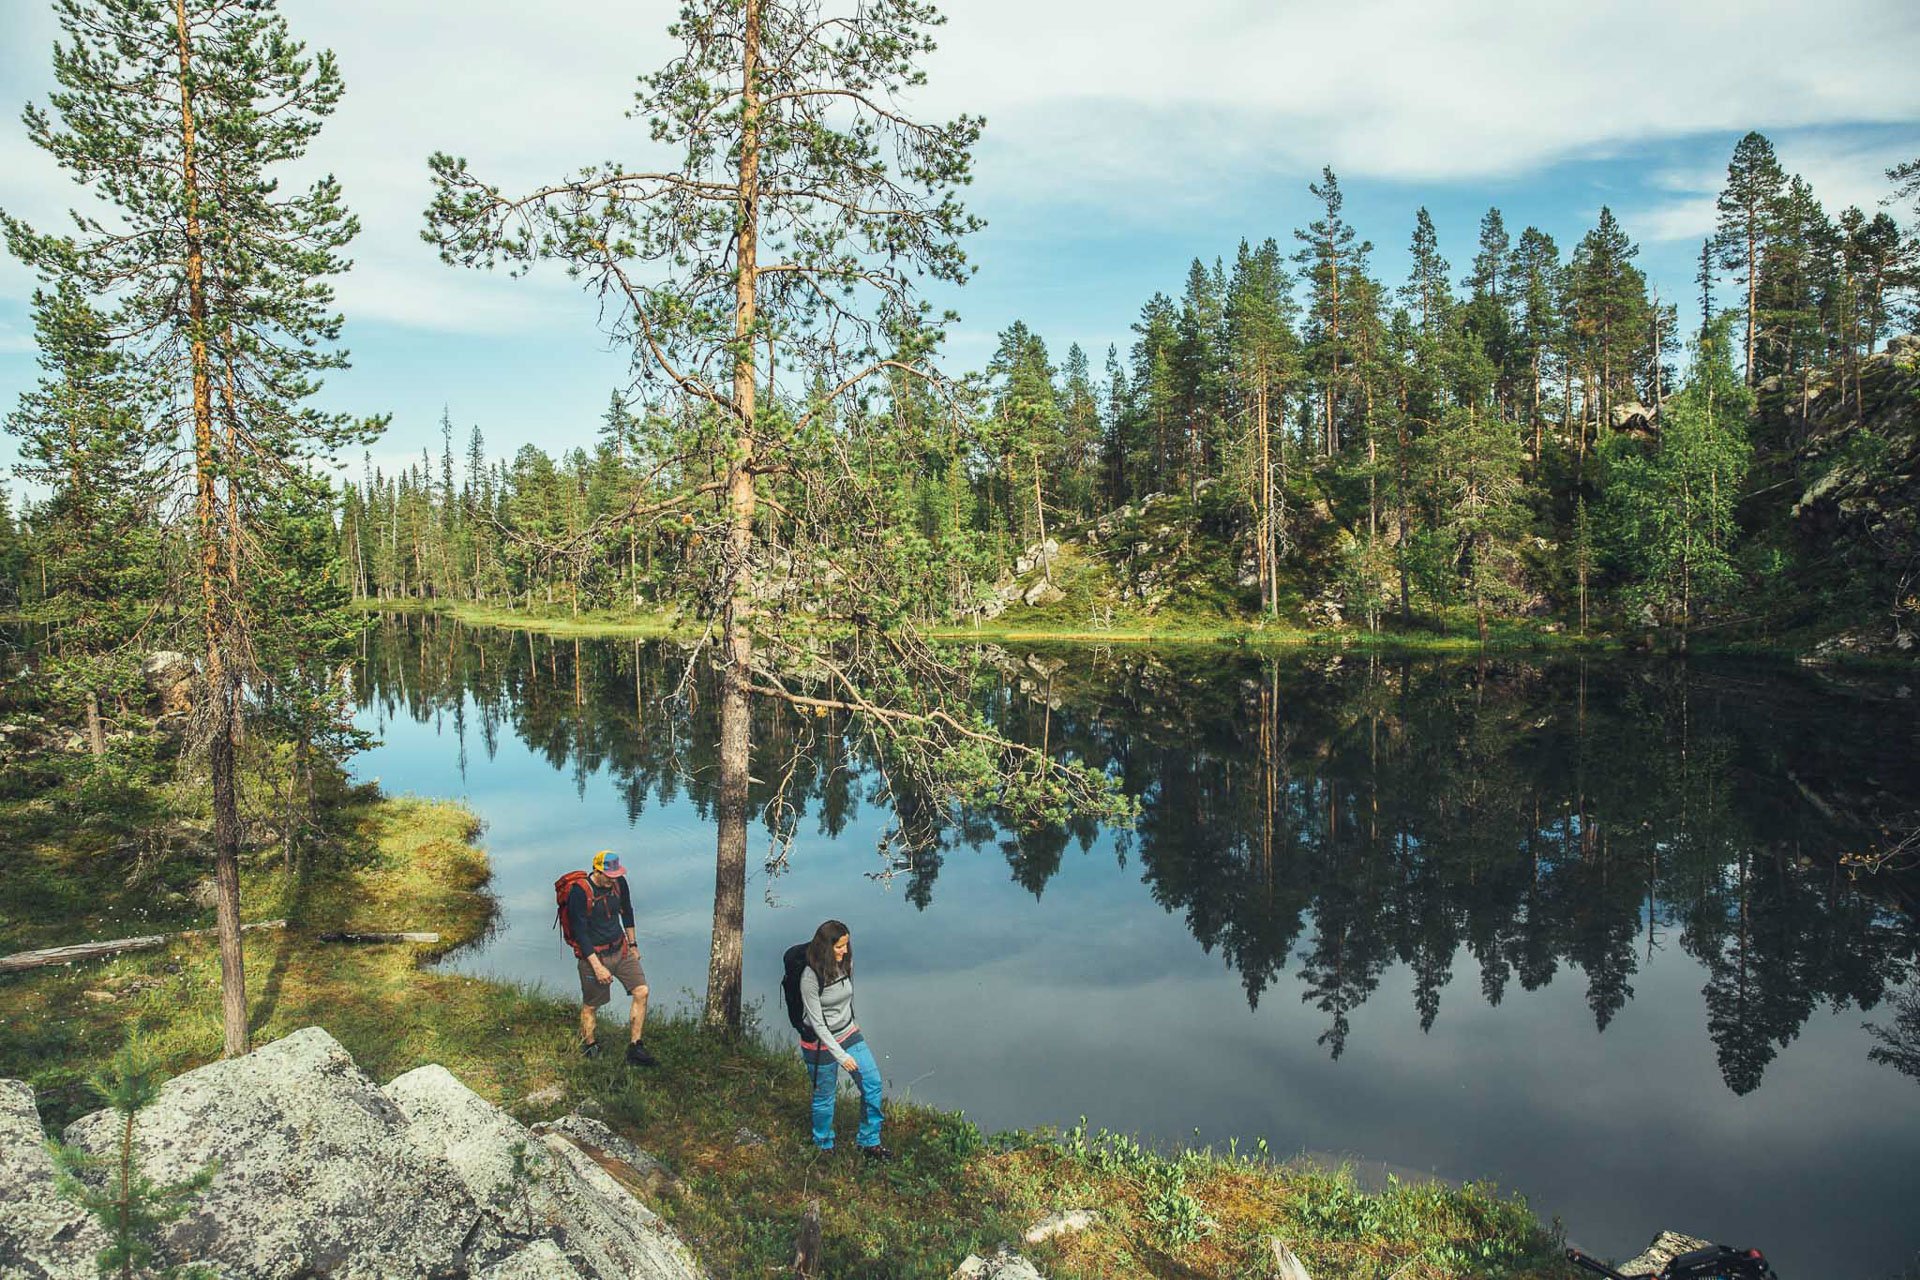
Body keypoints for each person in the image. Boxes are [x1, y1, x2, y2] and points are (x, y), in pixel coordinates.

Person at [797, 919, 891, 1160]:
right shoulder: (810, 976)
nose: (845, 951)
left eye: (846, 945)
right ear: (826, 947)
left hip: (848, 1032)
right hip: (820, 1044)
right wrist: (841, 1056)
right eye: (839, 947)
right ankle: (823, 1146)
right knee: (825, 1098)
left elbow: (847, 998)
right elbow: (817, 1023)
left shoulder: (845, 963)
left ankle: (869, 1142)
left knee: (872, 1083)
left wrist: (853, 1026)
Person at [564, 850, 656, 1066]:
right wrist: (597, 967)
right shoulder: (580, 892)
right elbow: (580, 933)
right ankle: (589, 1045)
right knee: (591, 1006)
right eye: (609, 875)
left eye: (616, 874)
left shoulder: (619, 883)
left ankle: (635, 1047)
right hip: (593, 956)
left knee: (642, 991)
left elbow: (627, 911)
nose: (613, 879)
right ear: (597, 871)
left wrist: (633, 944)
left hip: (621, 949)